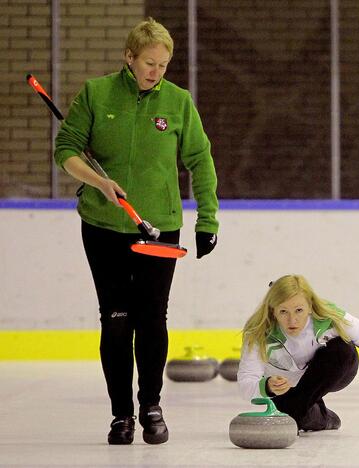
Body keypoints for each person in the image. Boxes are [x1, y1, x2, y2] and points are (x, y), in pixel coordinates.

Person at [54, 18, 219, 445]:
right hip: (103, 225)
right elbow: (66, 150)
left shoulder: (178, 102)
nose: (156, 72)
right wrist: (99, 182)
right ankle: (120, 414)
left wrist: (208, 219)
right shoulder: (97, 93)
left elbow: (200, 160)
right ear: (129, 57)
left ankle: (151, 405)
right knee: (115, 318)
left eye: (164, 65)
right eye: (149, 63)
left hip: (159, 228)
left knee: (151, 318)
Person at [237, 274, 359, 431]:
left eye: (298, 310)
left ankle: (295, 408)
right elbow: (247, 384)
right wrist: (268, 387)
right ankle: (322, 417)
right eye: (283, 312)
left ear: (309, 306)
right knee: (297, 410)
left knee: (342, 348)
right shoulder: (258, 332)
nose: (292, 321)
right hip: (290, 388)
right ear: (272, 310)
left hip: (335, 372)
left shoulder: (330, 317)